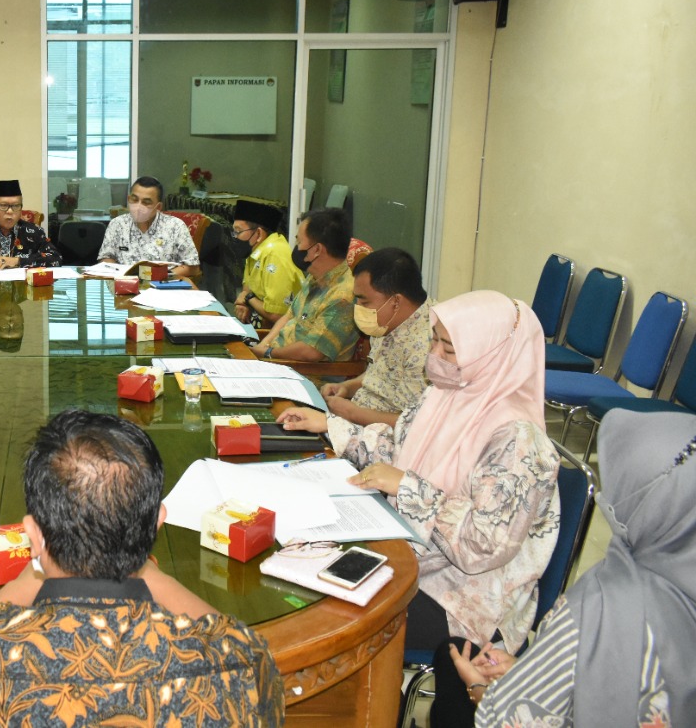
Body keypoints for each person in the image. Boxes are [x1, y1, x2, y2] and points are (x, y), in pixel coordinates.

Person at [0, 410, 284, 727]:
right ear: (156, 524)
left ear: (33, 536)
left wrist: (36, 565)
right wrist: (151, 573)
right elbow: (240, 645)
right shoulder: (235, 662)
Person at [280, 290, 560, 660]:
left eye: (449, 349)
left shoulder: (519, 442)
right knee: (300, 569)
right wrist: (330, 425)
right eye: (434, 341)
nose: (434, 355)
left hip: (464, 596)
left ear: (491, 355)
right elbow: (398, 451)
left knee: (329, 618)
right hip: (411, 552)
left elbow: (482, 546)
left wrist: (408, 488)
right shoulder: (444, 395)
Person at [441, 409, 696, 728]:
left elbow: (506, 721)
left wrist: (478, 689)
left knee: (450, 660)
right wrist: (528, 672)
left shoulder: (599, 607)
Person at [321, 247, 432, 427]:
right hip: (352, 420)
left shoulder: (429, 346)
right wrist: (346, 387)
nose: (358, 307)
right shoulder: (387, 321)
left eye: (364, 302)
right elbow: (378, 374)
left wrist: (351, 412)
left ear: (396, 301)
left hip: (379, 436)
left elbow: (413, 425)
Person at [251, 207, 359, 361]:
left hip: (302, 370)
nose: (296, 246)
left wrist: (268, 353)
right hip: (275, 359)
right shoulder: (315, 277)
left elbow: (311, 352)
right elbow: (289, 316)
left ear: (316, 250)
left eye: (299, 241)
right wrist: (263, 346)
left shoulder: (342, 297)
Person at [97, 176, 199, 278]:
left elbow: (192, 267)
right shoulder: (117, 224)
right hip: (124, 283)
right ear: (128, 199)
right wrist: (121, 275)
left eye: (146, 202)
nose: (138, 207)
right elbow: (105, 258)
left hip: (163, 283)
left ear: (158, 207)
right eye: (134, 199)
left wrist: (154, 276)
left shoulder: (175, 226)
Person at [231, 199, 302, 326]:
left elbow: (277, 316)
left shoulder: (275, 255)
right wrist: (243, 303)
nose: (234, 237)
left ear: (258, 233)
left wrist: (248, 298)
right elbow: (247, 288)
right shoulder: (256, 250)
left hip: (281, 332)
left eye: (238, 232)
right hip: (259, 322)